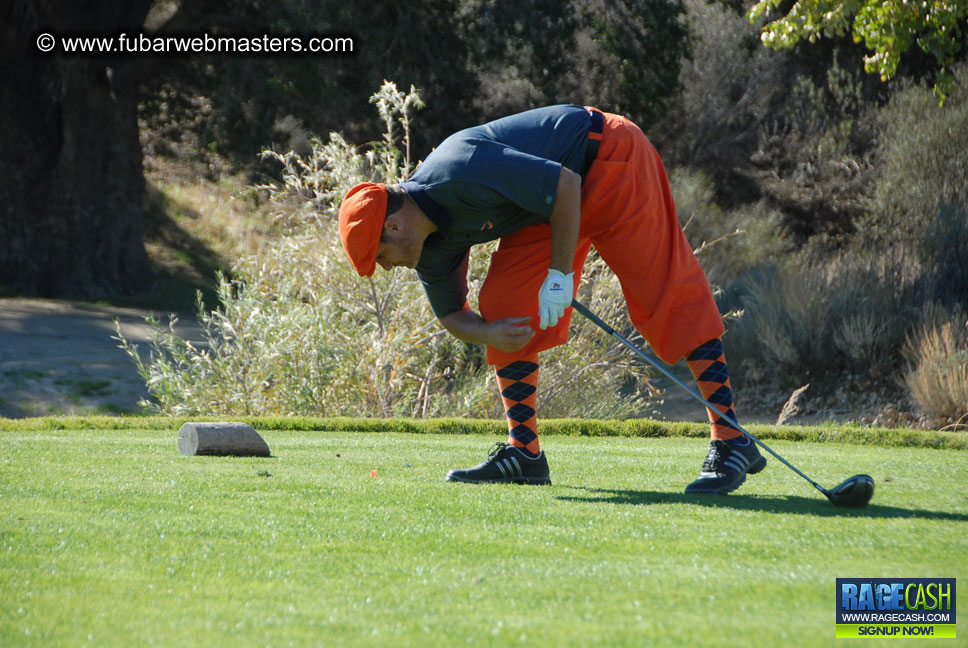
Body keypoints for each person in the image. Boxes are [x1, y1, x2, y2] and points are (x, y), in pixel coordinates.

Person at [337, 104, 766, 494]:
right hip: (548, 205)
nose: (388, 267)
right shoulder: (428, 247)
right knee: (506, 301)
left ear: (393, 227)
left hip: (609, 159)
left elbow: (564, 186)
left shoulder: (459, 168)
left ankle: (730, 442)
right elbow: (451, 314)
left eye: (381, 257)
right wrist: (489, 332)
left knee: (668, 295)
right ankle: (525, 452)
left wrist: (559, 278)